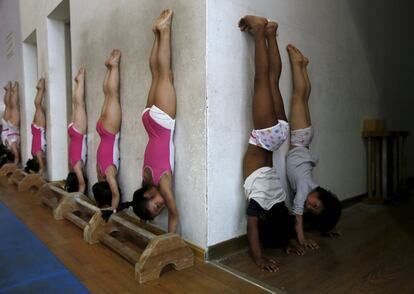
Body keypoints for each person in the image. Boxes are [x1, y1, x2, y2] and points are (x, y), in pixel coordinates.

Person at [239, 16, 302, 273]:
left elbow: (286, 220)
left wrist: (288, 241)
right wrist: (258, 259)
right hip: (264, 135)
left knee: (273, 81)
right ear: (264, 218)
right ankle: (259, 30)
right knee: (262, 80)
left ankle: (272, 33)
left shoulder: (280, 200)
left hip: (279, 135)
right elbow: (252, 232)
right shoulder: (257, 205)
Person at [124, 9, 179, 233]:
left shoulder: (163, 186)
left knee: (164, 74)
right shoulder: (146, 177)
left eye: (157, 205)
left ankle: (164, 31)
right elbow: (153, 203)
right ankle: (157, 35)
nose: (162, 205)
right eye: (160, 209)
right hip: (148, 121)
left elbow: (175, 213)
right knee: (156, 75)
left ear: (148, 193)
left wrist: (169, 239)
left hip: (162, 124)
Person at [285, 44, 341, 249]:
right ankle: (296, 63)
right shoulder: (303, 189)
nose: (309, 205)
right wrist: (301, 240)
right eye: (315, 205)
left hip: (305, 139)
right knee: (298, 97)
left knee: (304, 97)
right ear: (319, 195)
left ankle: (304, 66)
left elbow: (305, 212)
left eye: (313, 209)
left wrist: (327, 229)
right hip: (300, 139)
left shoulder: (311, 188)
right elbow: (297, 215)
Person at [93, 49, 122, 213]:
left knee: (113, 95)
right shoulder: (100, 172)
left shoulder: (110, 175)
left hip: (110, 132)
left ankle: (114, 66)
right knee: (108, 95)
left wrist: (112, 210)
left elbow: (116, 194)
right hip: (102, 130)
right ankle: (109, 68)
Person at [66, 68, 87, 193]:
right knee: (76, 104)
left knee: (79, 104)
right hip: (72, 133)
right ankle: (78, 83)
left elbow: (82, 184)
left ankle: (81, 80)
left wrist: (77, 197)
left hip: (78, 133)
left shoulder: (77, 168)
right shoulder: (71, 166)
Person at [27, 78, 47, 175]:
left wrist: (36, 176)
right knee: (38, 105)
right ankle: (39, 89)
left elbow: (42, 168)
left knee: (37, 105)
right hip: (35, 128)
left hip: (39, 128)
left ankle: (41, 88)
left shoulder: (38, 154)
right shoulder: (33, 153)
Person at [6, 81, 21, 165]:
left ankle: (15, 89)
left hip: (13, 126)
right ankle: (12, 91)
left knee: (14, 105)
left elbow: (17, 157)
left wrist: (14, 166)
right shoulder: (9, 145)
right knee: (12, 106)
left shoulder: (13, 145)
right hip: (11, 126)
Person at [1, 82, 12, 147]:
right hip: (6, 126)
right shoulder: (7, 144)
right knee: (8, 105)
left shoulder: (7, 144)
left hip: (6, 126)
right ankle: (9, 90)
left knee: (8, 105)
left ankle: (8, 90)